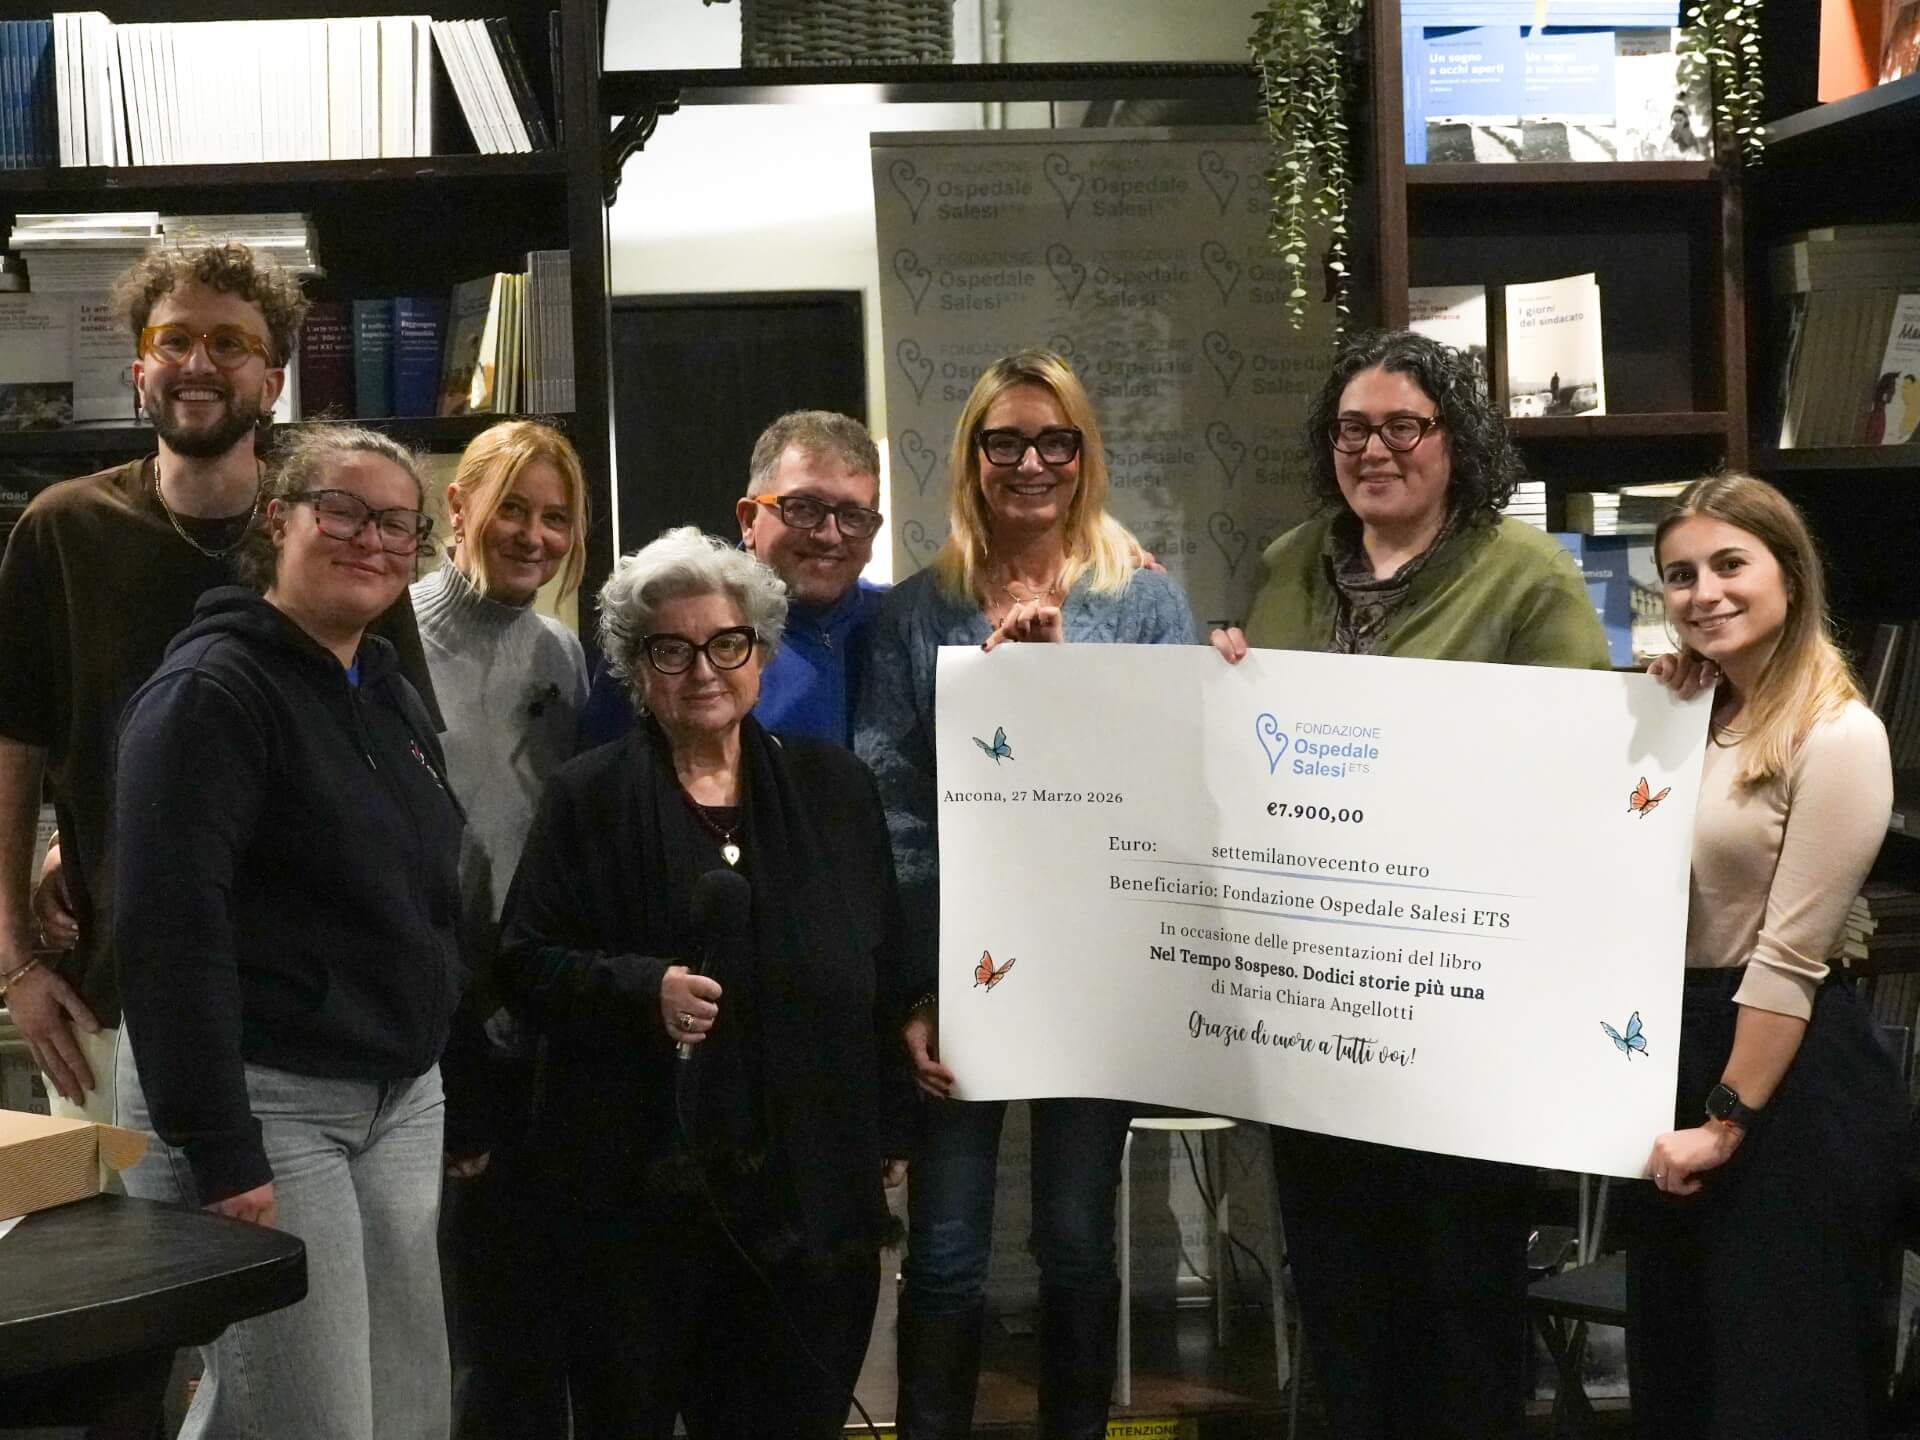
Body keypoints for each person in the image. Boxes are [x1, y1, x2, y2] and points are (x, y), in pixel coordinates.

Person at [1212, 328, 1608, 1440]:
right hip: (1315, 1005)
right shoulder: (1290, 562)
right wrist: (1228, 684)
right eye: (1352, 428)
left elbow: (1575, 755)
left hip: (1458, 1008)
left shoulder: (1525, 573)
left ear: (1455, 439)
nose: (1374, 449)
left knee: (1459, 1295)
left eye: (1402, 426)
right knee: (1342, 1294)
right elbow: (1253, 754)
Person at [0, 242, 437, 1131]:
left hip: (318, 1013)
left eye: (230, 343)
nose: (198, 363)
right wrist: (15, 963)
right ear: (139, 371)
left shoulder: (335, 536)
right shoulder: (62, 531)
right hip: (115, 1001)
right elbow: (14, 754)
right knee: (129, 1228)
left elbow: (394, 754)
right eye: (174, 340)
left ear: (272, 380)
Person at [498, 527, 911, 1438]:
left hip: (807, 1189)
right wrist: (640, 990)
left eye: (726, 644)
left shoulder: (837, 789)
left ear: (759, 653)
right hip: (633, 1196)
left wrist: (889, 1118)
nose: (702, 671)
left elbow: (879, 966)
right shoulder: (586, 796)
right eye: (670, 651)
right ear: (636, 669)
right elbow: (524, 961)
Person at [854, 349, 1196, 1440]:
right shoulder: (917, 614)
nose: (1031, 463)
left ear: (1085, 456)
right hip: (965, 973)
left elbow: (1177, 780)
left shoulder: (1143, 602)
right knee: (948, 1251)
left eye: (1056, 441)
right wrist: (921, 989)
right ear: (972, 458)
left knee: (1078, 1242)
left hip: (1096, 979)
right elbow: (892, 809)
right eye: (1005, 442)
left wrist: (1059, 686)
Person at [113, 425, 464, 1440]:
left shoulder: (384, 688)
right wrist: (222, 1150)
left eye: (396, 523)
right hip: (270, 1103)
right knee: (309, 1421)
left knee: (407, 1414)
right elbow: (168, 933)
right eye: (342, 510)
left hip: (400, 1098)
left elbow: (429, 895)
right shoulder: (211, 693)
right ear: (279, 520)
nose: (371, 540)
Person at [1630, 474, 1907, 1438]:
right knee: (1683, 1376)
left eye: (1729, 564)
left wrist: (1724, 1122)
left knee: (1784, 1390)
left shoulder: (1840, 736)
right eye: (1679, 575)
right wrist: (1654, 711)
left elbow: (1788, 960)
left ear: (1790, 572)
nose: (1703, 592)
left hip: (1785, 1084)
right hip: (1680, 1054)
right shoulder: (1694, 716)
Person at [410, 419, 590, 1440]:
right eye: (512, 507)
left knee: (529, 1315)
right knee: (446, 1324)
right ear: (458, 506)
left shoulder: (561, 653)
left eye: (555, 517)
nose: (533, 535)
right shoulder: (387, 635)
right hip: (430, 1025)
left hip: (536, 1025)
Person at [577, 409, 887, 749]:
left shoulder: (898, 624)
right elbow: (606, 771)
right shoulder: (661, 625)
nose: (829, 535)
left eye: (853, 516)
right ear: (749, 520)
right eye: (803, 508)